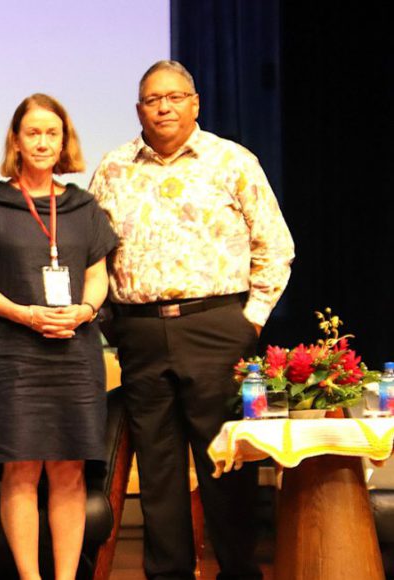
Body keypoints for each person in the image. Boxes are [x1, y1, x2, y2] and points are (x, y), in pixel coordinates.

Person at [89, 60, 294, 579]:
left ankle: (238, 570)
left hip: (216, 326)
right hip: (139, 330)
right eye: (153, 99)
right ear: (139, 109)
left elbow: (275, 246)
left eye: (175, 97)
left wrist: (250, 321)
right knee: (157, 468)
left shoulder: (232, 161)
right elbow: (91, 256)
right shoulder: (113, 168)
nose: (164, 107)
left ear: (195, 103)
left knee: (224, 461)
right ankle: (168, 573)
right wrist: (114, 323)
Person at [0, 93, 116, 580]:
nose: (43, 142)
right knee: (21, 467)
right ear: (16, 141)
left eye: (52, 133)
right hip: (13, 354)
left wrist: (86, 310)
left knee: (69, 468)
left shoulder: (83, 207)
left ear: (64, 142)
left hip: (75, 350)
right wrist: (25, 315)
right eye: (33, 133)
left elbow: (98, 275)